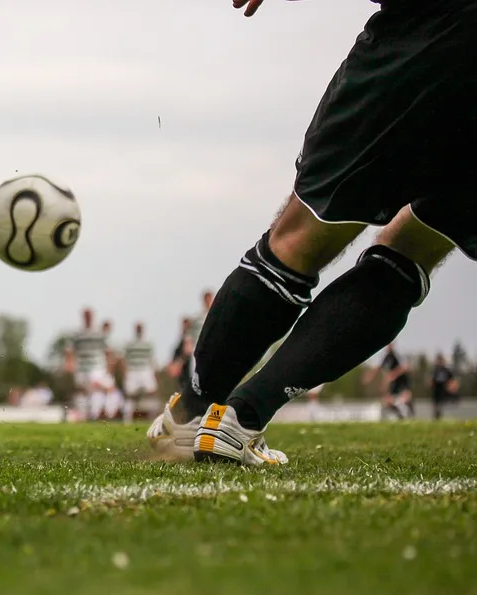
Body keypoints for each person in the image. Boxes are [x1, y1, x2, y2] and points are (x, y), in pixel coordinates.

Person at [149, 0, 476, 465]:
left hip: (429, 31)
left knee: (298, 239)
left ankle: (191, 416)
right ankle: (241, 419)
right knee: (415, 248)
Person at [63, 308, 109, 421]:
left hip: (96, 366)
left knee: (95, 387)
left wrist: (108, 365)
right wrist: (69, 363)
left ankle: (94, 414)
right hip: (82, 367)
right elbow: (70, 350)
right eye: (86, 316)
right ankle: (83, 415)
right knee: (82, 389)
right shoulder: (78, 334)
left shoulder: (98, 333)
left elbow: (107, 350)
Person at [363, 343, 415, 420]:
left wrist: (393, 374)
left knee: (406, 398)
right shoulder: (386, 357)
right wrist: (370, 376)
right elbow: (379, 368)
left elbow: (405, 367)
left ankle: (412, 416)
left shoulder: (397, 355)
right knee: (387, 402)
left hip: (402, 381)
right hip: (394, 383)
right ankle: (400, 417)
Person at [122, 322, 159, 423]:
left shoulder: (148, 343)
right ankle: (127, 420)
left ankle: (153, 418)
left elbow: (152, 359)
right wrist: (126, 372)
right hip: (133, 370)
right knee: (130, 395)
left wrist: (154, 373)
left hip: (146, 370)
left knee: (151, 393)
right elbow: (125, 359)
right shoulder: (129, 344)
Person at [430, 353, 458, 420]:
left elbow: (452, 380)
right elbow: (431, 381)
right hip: (436, 391)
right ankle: (437, 418)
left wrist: (452, 388)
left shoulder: (446, 370)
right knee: (436, 406)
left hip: (444, 390)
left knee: (441, 405)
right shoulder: (435, 370)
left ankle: (442, 416)